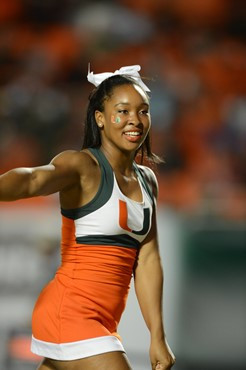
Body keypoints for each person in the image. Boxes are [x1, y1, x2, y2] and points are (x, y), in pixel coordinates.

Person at [0, 65, 175, 370]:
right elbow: (32, 180)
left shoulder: (148, 181)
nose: (134, 120)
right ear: (101, 119)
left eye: (143, 111)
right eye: (122, 111)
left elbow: (147, 260)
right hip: (70, 312)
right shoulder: (82, 166)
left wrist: (157, 336)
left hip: (103, 322)